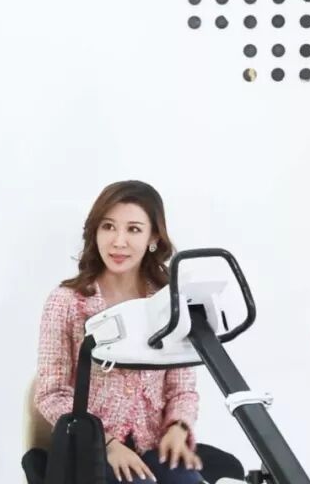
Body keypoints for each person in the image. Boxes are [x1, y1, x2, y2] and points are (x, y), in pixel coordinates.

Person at [35, 181, 204, 484]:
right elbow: (51, 393)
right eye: (108, 227)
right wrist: (106, 444)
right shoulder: (66, 302)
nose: (118, 241)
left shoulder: (168, 302)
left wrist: (178, 428)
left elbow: (182, 388)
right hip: (90, 449)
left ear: (154, 237)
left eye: (134, 229)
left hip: (153, 445)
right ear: (95, 232)